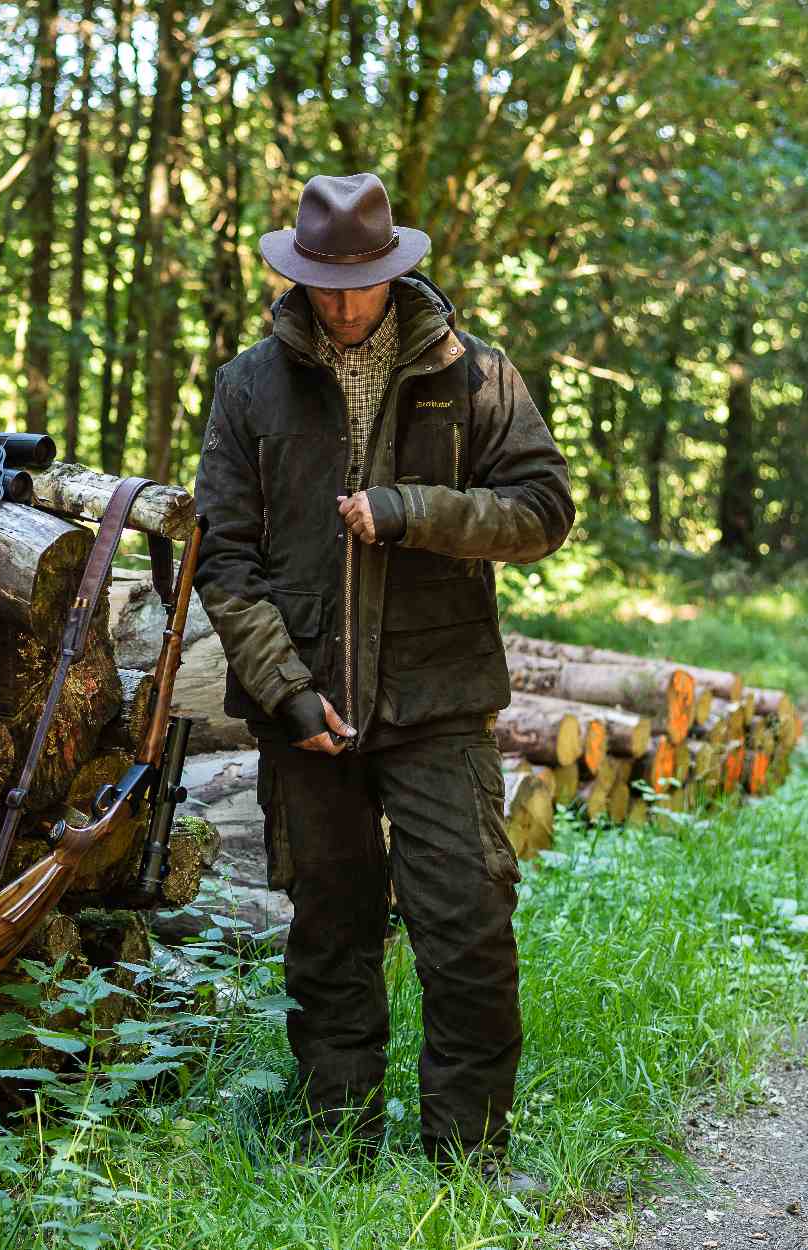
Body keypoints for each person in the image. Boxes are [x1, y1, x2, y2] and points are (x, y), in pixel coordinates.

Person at [193, 172, 575, 1188]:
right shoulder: (245, 387)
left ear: (394, 269)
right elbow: (224, 563)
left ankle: (469, 1156)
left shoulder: (476, 373)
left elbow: (541, 509)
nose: (343, 304)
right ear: (299, 272)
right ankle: (337, 1150)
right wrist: (281, 689)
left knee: (469, 923)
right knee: (330, 930)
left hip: (439, 693)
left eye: (361, 284)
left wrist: (414, 508)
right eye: (324, 283)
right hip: (304, 701)